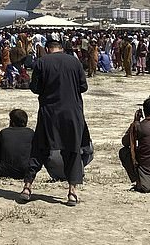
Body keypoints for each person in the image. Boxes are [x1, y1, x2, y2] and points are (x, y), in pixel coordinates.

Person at [21, 39, 90, 206]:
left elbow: (35, 88)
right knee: (72, 150)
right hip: (72, 113)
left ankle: (27, 187)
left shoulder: (41, 62)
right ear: (61, 48)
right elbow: (83, 87)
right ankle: (72, 191)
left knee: (39, 148)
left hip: (49, 112)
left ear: (47, 49)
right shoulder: (74, 62)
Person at [0, 109, 34, 179]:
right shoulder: (31, 133)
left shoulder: (4, 132)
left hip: (4, 171)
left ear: (12, 122)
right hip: (26, 171)